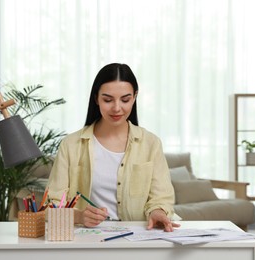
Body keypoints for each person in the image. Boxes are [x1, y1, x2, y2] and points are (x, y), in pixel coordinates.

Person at [47, 63, 180, 232]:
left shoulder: (151, 144)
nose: (117, 108)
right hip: (85, 240)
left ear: (134, 97)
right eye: (108, 100)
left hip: (138, 241)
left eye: (125, 99)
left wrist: (157, 211)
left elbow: (161, 197)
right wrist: (79, 216)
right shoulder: (71, 145)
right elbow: (51, 205)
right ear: (96, 98)